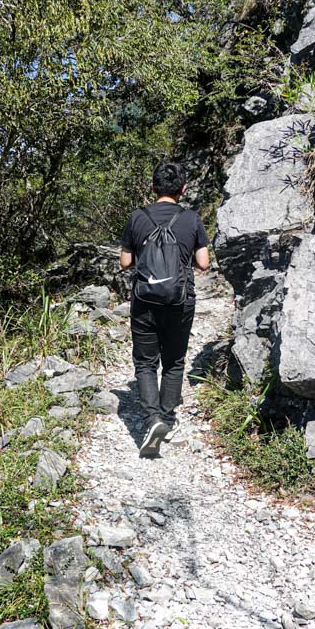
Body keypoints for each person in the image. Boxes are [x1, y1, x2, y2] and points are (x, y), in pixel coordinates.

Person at [120, 161, 210, 457]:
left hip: (144, 299)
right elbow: (204, 263)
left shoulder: (137, 217)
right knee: (174, 361)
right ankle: (168, 419)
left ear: (152, 187)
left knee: (146, 362)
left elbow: (125, 262)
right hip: (179, 300)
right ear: (183, 189)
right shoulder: (192, 219)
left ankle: (151, 420)